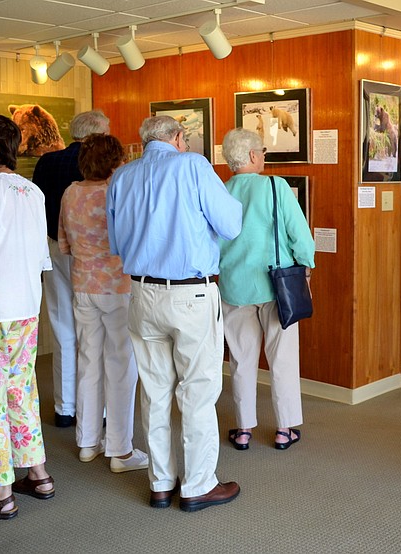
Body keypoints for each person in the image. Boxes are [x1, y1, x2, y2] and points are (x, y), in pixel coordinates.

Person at [107, 116, 243, 512]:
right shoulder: (193, 165)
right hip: (190, 296)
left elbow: (117, 242)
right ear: (179, 138)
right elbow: (231, 225)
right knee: (198, 392)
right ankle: (198, 484)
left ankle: (161, 483)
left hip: (141, 293)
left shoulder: (123, 175)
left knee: (153, 391)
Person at [0, 114, 54, 519]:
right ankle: (38, 474)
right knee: (21, 391)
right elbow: (41, 257)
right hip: (25, 307)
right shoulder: (31, 191)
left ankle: (1, 492)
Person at [218, 128, 315, 451]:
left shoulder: (220, 191)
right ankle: (284, 429)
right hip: (277, 286)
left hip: (233, 287)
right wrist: (306, 263)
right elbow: (298, 232)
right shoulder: (275, 186)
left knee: (241, 361)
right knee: (283, 358)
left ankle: (243, 429)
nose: (263, 156)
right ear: (251, 156)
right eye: (261, 150)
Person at [58, 134, 148, 472]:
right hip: (118, 288)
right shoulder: (118, 192)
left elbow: (64, 244)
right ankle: (120, 450)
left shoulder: (70, 192)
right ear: (115, 161)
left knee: (88, 363)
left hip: (83, 286)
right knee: (121, 367)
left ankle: (87, 442)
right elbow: (132, 241)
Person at [33, 110, 110, 428]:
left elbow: (38, 208)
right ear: (97, 134)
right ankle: (97, 409)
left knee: (63, 326)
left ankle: (65, 408)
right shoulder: (102, 164)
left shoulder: (47, 163)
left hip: (53, 249)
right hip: (94, 255)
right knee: (96, 331)